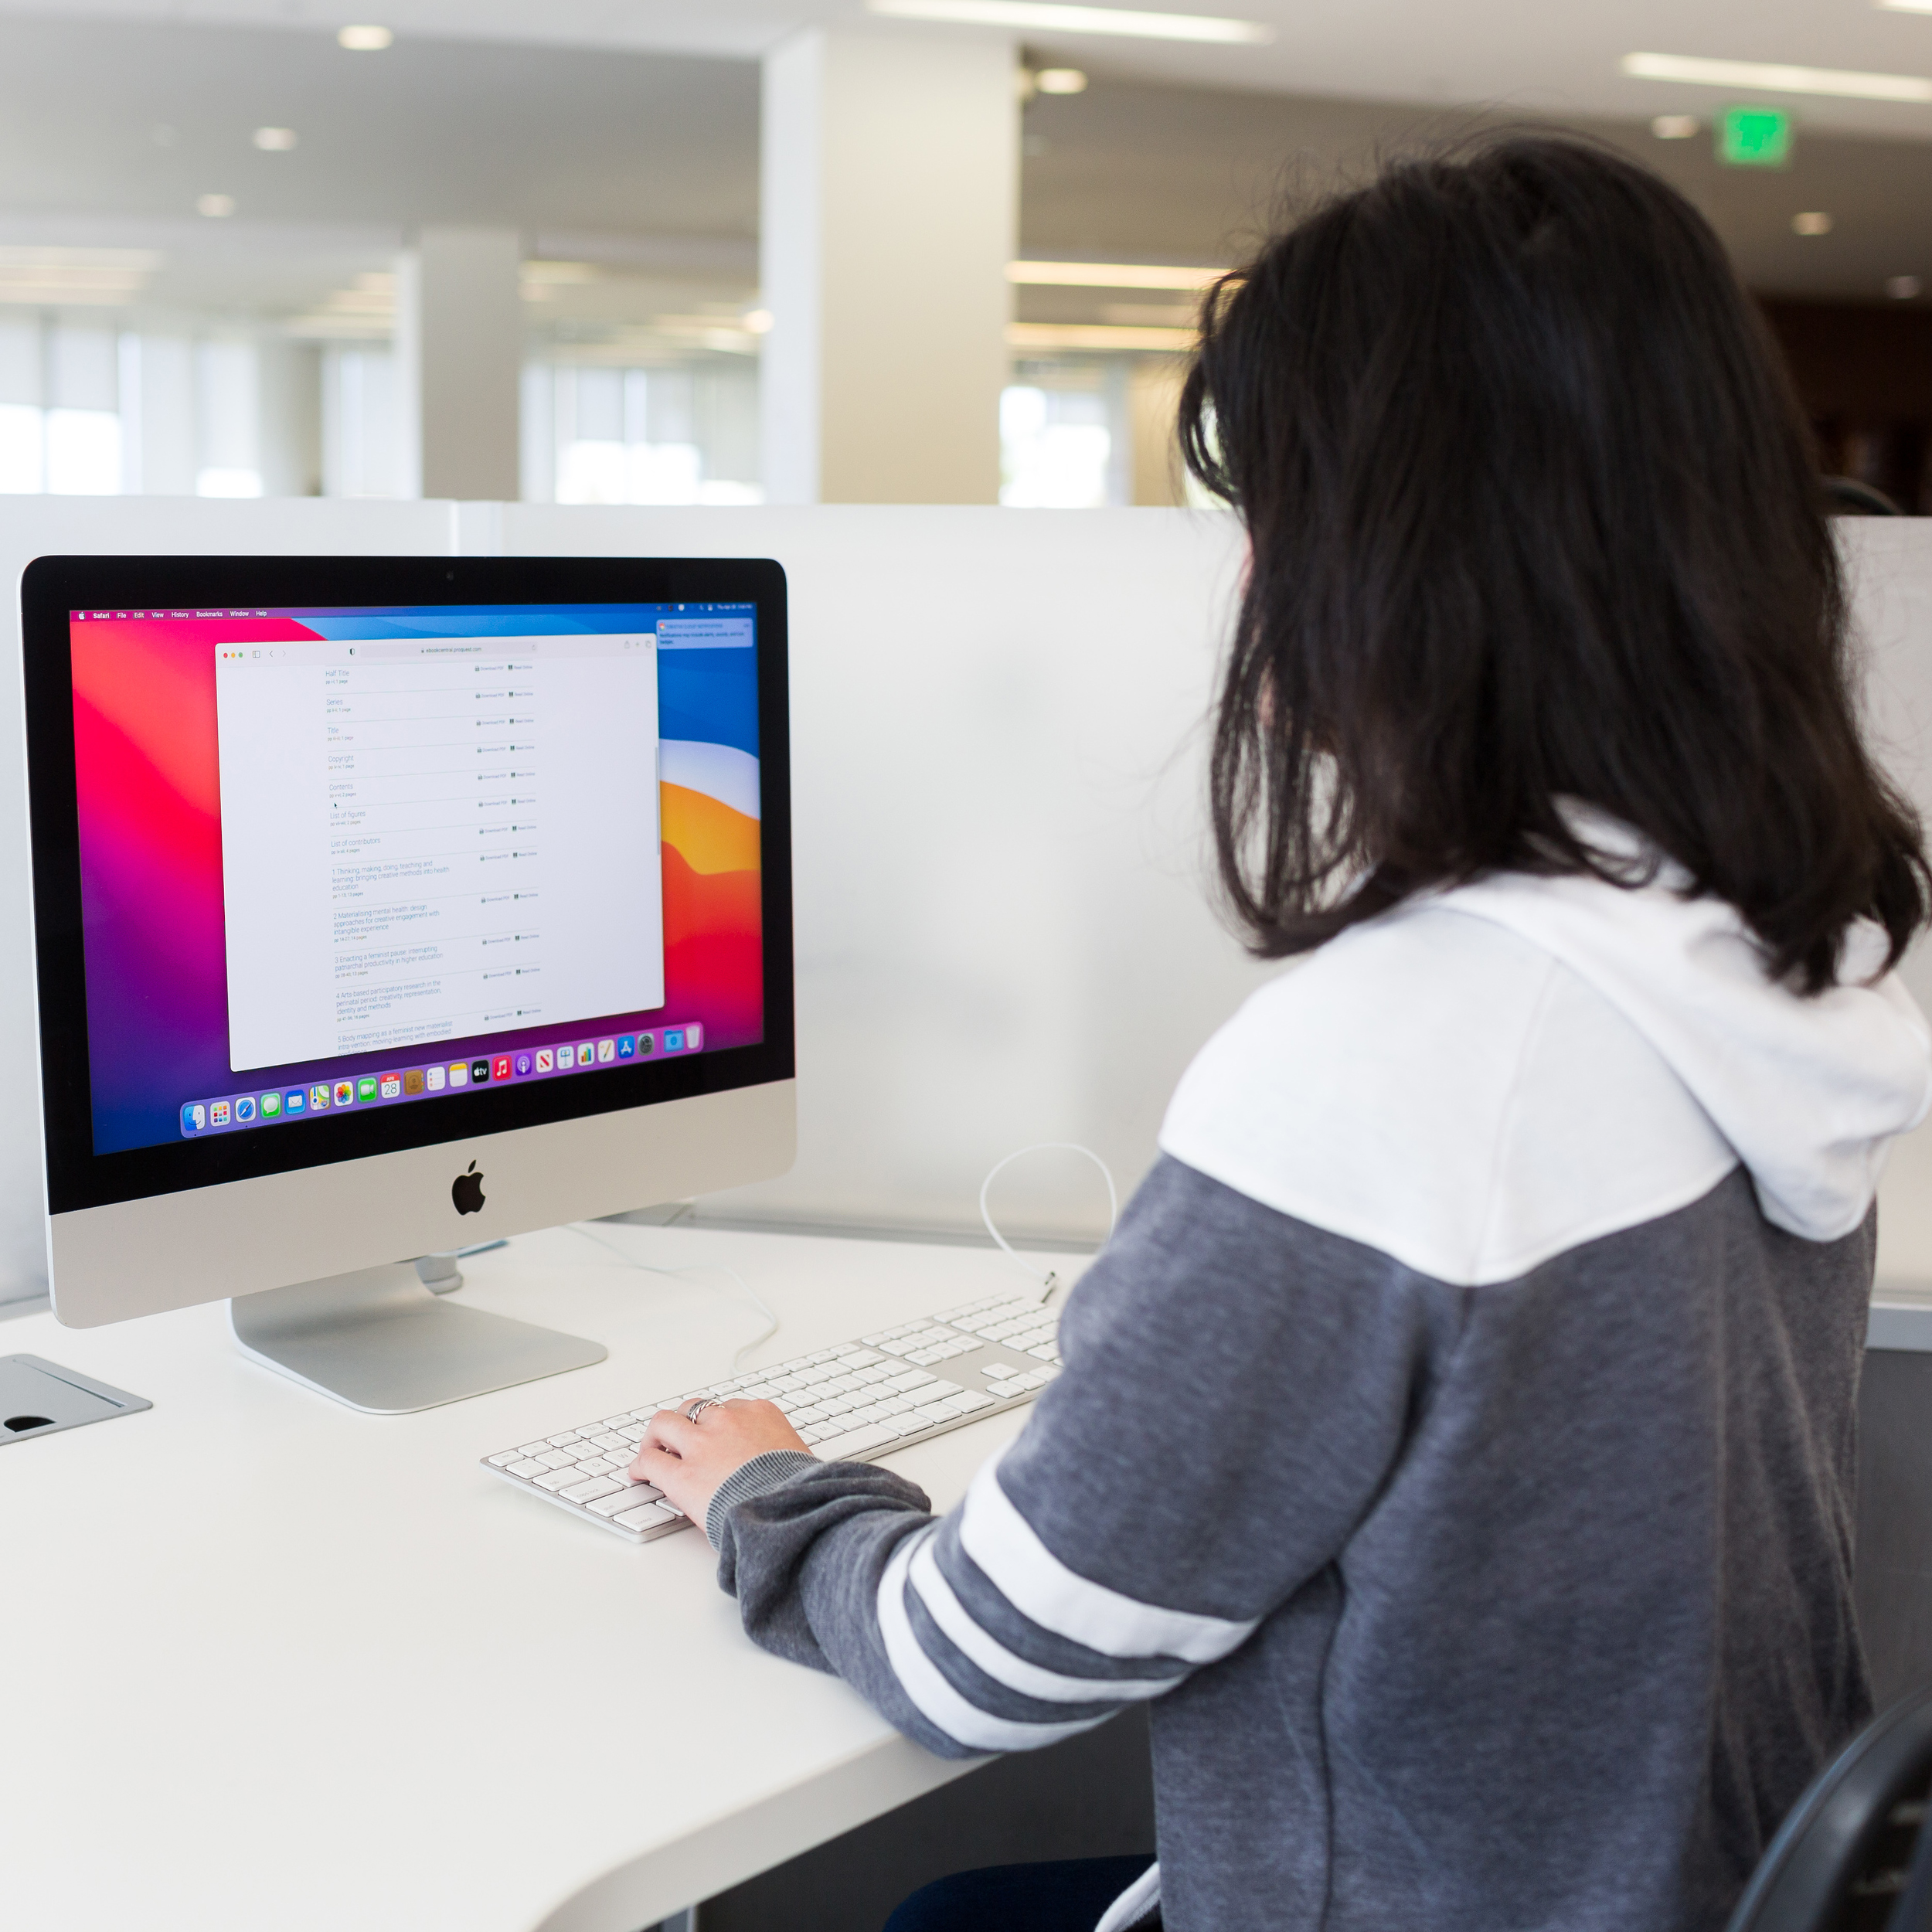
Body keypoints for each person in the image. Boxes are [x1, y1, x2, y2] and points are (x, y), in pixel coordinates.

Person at [630, 134, 1932, 1932]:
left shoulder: (1399, 1064)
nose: (1250, 585)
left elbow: (980, 1659)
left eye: (1281, 513)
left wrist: (772, 1491)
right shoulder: (1775, 950)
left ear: (1410, 566)